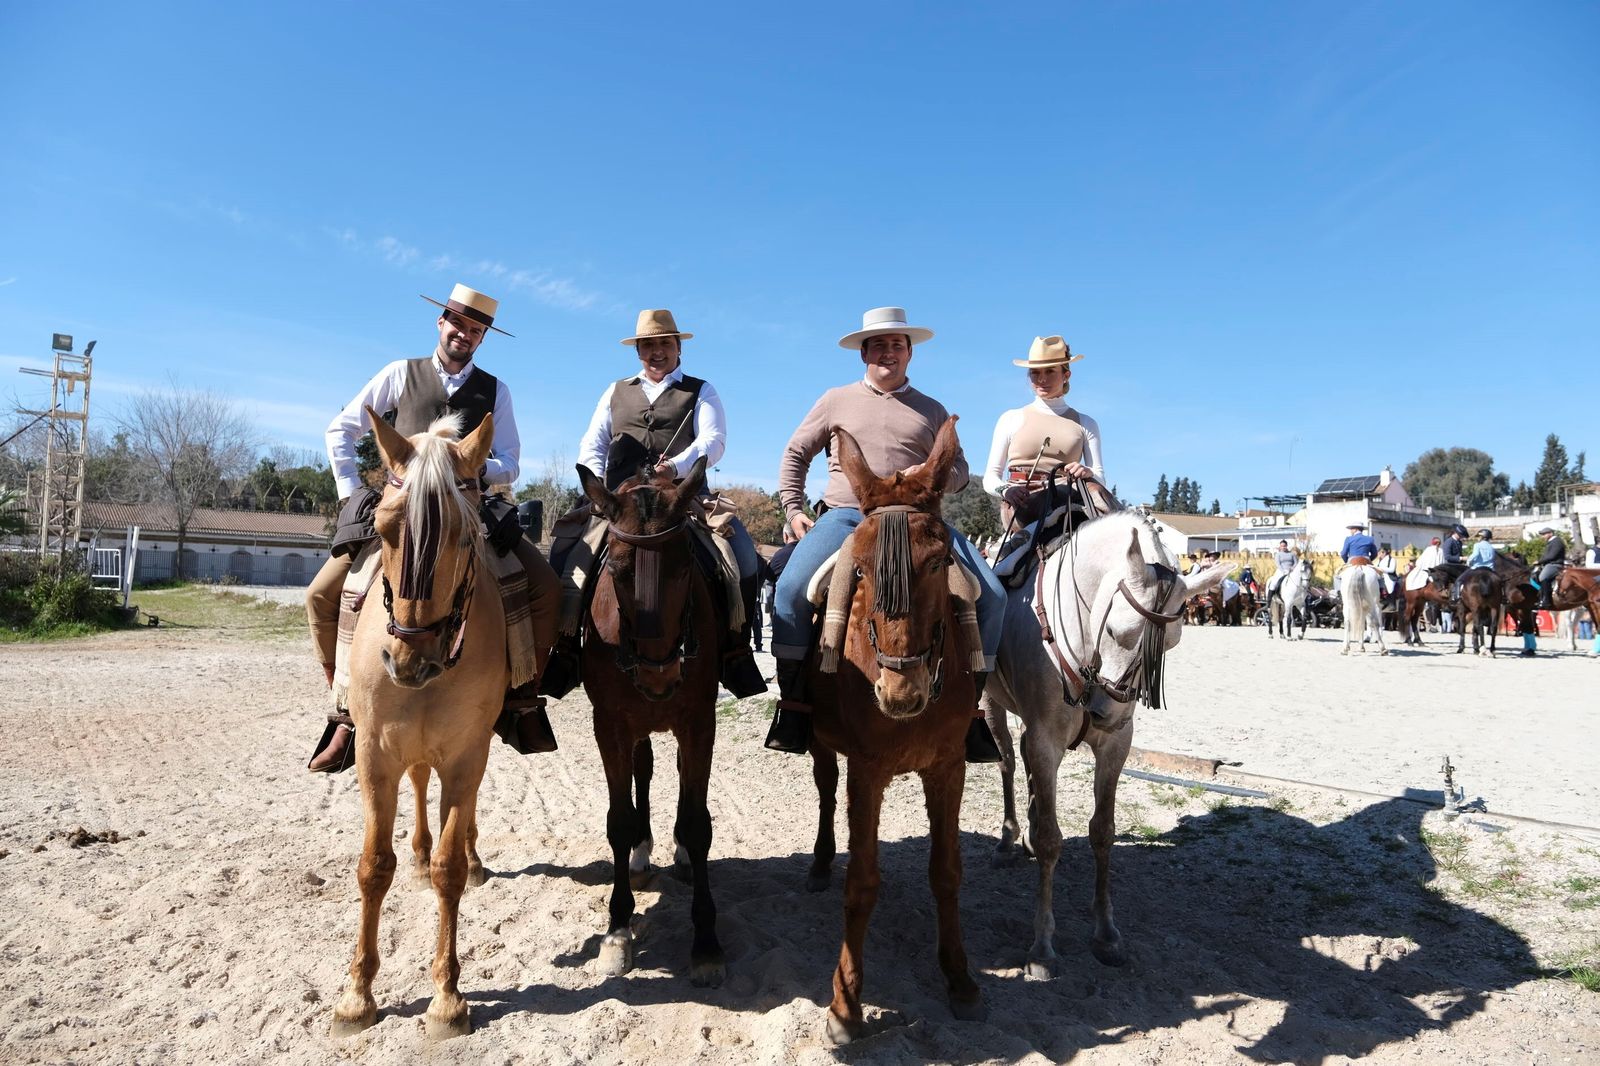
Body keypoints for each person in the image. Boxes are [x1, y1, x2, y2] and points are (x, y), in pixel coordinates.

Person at [305, 284, 561, 772]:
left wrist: (474, 470)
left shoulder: (496, 390)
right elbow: (342, 428)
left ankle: (520, 700)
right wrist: (352, 492)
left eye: (475, 329)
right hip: (404, 510)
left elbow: (510, 460)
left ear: (483, 338)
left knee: (546, 588)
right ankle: (345, 710)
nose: (464, 334)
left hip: (467, 511)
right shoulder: (400, 374)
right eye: (457, 324)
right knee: (321, 593)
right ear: (440, 323)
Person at [766, 306, 1005, 761]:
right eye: (878, 345)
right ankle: (794, 705)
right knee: (790, 591)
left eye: (897, 344)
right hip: (847, 515)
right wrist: (793, 508)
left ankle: (971, 710)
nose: (888, 352)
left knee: (991, 596)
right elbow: (797, 452)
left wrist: (932, 477)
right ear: (864, 354)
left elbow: (959, 469)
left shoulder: (932, 409)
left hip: (918, 521)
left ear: (910, 353)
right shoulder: (835, 400)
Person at [560, 308, 764, 696]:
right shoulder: (615, 391)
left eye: (664, 344)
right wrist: (597, 488)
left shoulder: (701, 390)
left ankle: (736, 651)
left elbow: (712, 441)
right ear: (638, 351)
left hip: (681, 502)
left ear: (678, 348)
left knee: (743, 555)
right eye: (648, 345)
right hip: (620, 505)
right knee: (566, 554)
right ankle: (566, 651)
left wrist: (677, 466)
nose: (656, 352)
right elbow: (594, 442)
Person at [981, 335, 1113, 552]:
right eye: (1035, 372)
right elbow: (990, 477)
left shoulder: (1086, 423)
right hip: (1022, 503)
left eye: (1050, 371)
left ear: (1066, 374)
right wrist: (1006, 491)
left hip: (1068, 501)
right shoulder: (1010, 418)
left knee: (1099, 498)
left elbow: (1100, 477)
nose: (1042, 379)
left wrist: (1086, 471)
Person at [1336, 522, 1378, 596]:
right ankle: (1381, 593)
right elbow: (1375, 553)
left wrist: (1347, 562)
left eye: (1351, 529)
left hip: (1352, 561)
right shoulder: (1369, 539)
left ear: (1355, 529)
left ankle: (1338, 594)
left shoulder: (1349, 539)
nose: (1350, 531)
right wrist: (1368, 560)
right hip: (1366, 560)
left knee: (1337, 576)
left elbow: (1343, 553)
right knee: (1379, 576)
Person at [1533, 526, 1566, 609]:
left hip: (1555, 565)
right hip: (1549, 564)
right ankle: (1540, 597)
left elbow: (1552, 556)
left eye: (1544, 534)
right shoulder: (1551, 542)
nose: (1542, 536)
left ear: (1550, 533)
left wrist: (1539, 561)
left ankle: (1546, 601)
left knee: (1542, 577)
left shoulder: (1557, 542)